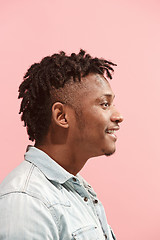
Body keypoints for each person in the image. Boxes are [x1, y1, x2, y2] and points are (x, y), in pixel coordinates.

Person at [0, 49, 123, 239]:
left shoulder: (78, 190)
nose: (118, 116)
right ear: (61, 116)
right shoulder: (26, 200)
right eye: (104, 104)